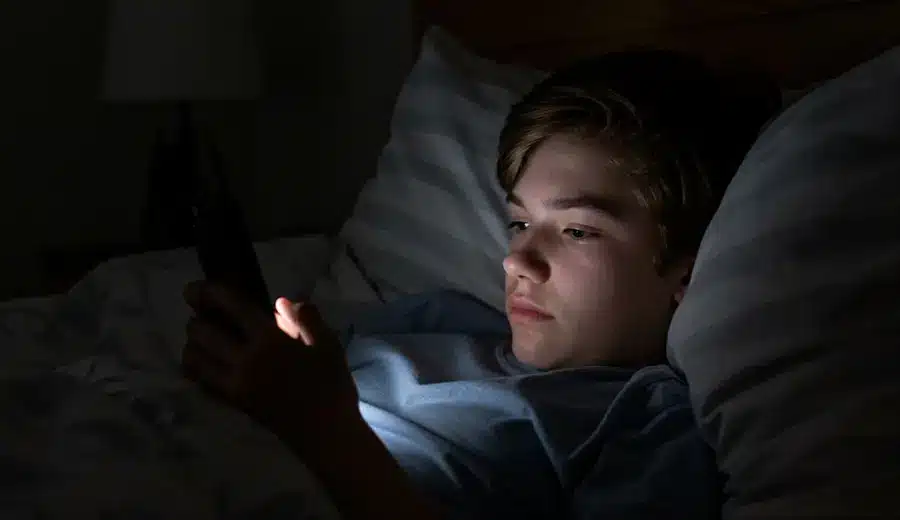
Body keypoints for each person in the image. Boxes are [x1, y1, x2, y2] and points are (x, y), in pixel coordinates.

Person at [181, 50, 779, 520]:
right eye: (519, 222)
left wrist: (327, 431)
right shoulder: (439, 318)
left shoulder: (643, 424)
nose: (519, 259)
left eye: (576, 231)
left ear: (686, 272)